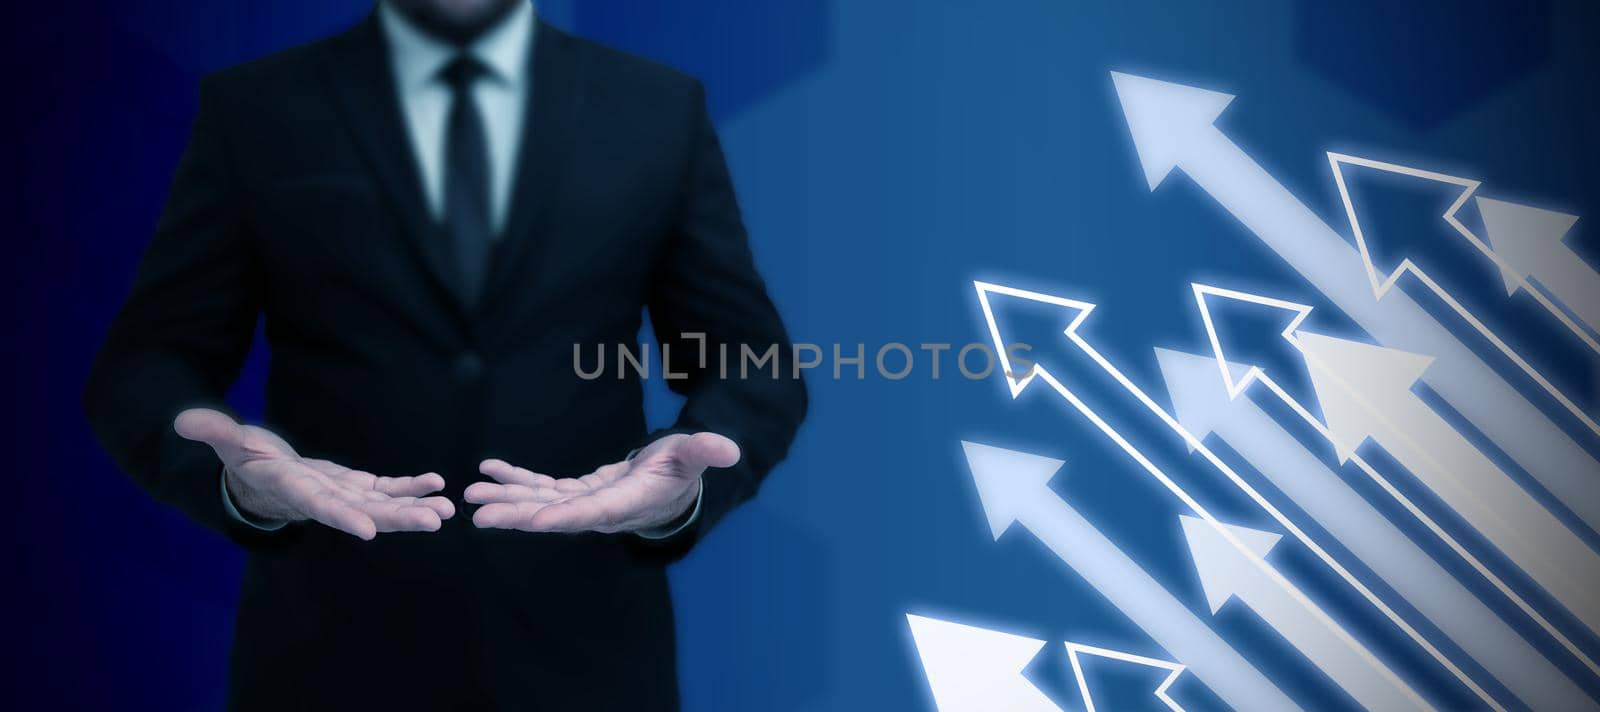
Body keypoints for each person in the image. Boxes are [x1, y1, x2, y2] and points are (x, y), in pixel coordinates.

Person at [82, 0, 807, 708]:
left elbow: (748, 360)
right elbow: (145, 363)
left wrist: (680, 491)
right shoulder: (257, 107)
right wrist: (236, 484)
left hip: (589, 658)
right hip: (325, 658)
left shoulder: (658, 107)